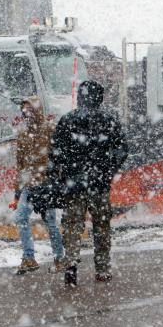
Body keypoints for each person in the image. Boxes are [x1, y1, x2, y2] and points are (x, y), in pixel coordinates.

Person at [49, 80, 127, 285]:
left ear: (80, 97)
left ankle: (71, 263)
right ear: (99, 98)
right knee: (101, 227)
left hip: (73, 184)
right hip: (99, 184)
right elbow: (122, 149)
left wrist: (61, 173)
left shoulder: (67, 120)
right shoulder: (109, 120)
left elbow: (55, 151)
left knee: (73, 226)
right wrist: (109, 169)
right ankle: (102, 269)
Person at [11, 96, 65, 275]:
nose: (27, 111)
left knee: (50, 222)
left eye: (30, 108)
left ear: (37, 109)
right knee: (21, 218)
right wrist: (17, 192)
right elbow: (20, 164)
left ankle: (59, 258)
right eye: (24, 109)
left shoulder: (50, 129)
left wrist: (57, 179)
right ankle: (29, 258)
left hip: (46, 184)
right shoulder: (23, 133)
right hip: (29, 185)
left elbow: (59, 156)